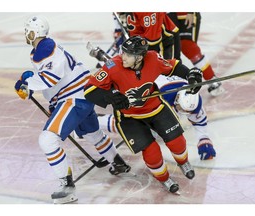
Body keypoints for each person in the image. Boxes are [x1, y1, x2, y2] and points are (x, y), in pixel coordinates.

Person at [14, 15, 130, 204]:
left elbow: (50, 78)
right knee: (93, 133)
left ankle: (67, 186)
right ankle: (116, 162)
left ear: (34, 32)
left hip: (74, 98)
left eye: (28, 30)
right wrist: (30, 81)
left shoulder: (46, 49)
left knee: (48, 140)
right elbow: (52, 77)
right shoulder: (44, 48)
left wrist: (28, 85)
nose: (26, 34)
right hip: (83, 94)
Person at [84, 35, 203, 193]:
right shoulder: (112, 66)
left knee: (177, 142)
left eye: (127, 54)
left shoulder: (153, 59)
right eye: (123, 52)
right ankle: (164, 178)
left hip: (155, 108)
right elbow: (89, 90)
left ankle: (183, 162)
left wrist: (191, 75)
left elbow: (173, 67)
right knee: (151, 152)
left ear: (140, 57)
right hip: (129, 117)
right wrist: (110, 96)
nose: (122, 56)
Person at [98, 74, 216, 160]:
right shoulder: (160, 94)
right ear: (177, 99)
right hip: (142, 95)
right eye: (181, 108)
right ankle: (97, 122)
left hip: (156, 91)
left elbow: (199, 120)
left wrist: (203, 139)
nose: (183, 112)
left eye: (186, 111)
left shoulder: (193, 99)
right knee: (130, 125)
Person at [167, 12, 225, 96]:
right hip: (167, 14)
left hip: (185, 13)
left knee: (188, 47)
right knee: (172, 48)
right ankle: (175, 83)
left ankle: (211, 78)